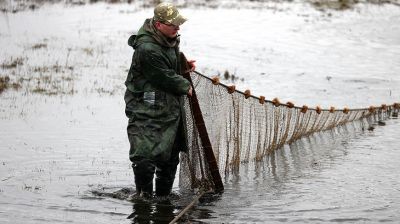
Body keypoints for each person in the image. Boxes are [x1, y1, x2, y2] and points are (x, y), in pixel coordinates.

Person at [124, 2, 195, 198]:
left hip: (168, 106)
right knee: (145, 154)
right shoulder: (147, 48)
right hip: (146, 107)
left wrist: (182, 64)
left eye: (178, 24)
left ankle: (163, 199)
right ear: (158, 24)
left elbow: (168, 62)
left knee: (171, 155)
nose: (178, 27)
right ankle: (143, 200)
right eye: (173, 24)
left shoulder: (168, 37)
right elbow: (162, 75)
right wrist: (184, 85)